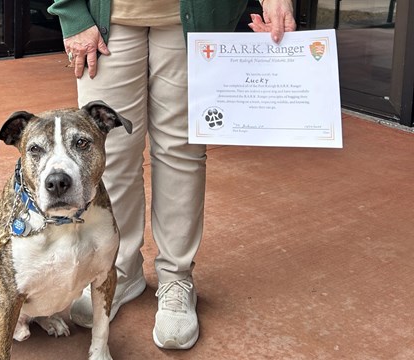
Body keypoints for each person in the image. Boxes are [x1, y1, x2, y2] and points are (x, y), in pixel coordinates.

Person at [48, 0, 296, 350]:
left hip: (193, 17)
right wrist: (73, 15)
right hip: (107, 22)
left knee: (182, 150)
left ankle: (177, 278)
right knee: (110, 155)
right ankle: (118, 271)